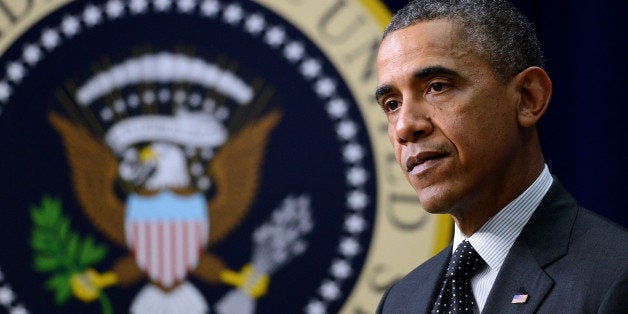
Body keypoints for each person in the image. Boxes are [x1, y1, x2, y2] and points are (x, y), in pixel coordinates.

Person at [374, 0, 628, 313]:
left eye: (436, 87)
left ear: (528, 98)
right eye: (392, 104)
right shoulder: (400, 302)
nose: (405, 126)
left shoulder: (615, 277)